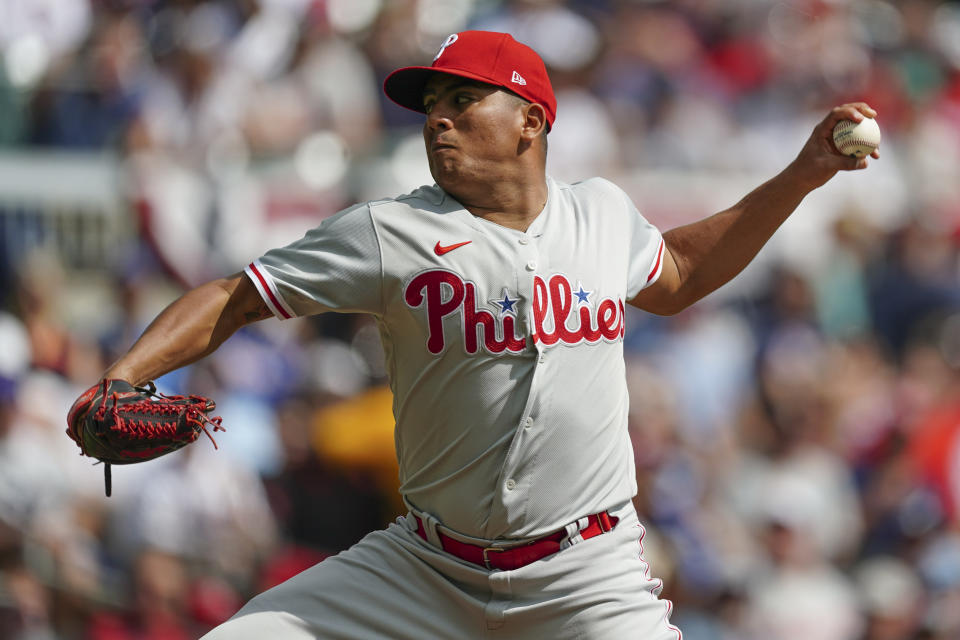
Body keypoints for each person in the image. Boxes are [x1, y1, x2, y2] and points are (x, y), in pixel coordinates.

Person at [78, 30, 878, 639]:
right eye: (432, 106)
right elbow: (237, 296)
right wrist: (123, 375)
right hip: (425, 567)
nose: (439, 121)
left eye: (463, 100)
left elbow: (677, 275)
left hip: (585, 572)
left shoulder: (599, 213)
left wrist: (802, 174)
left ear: (531, 120)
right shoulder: (388, 231)